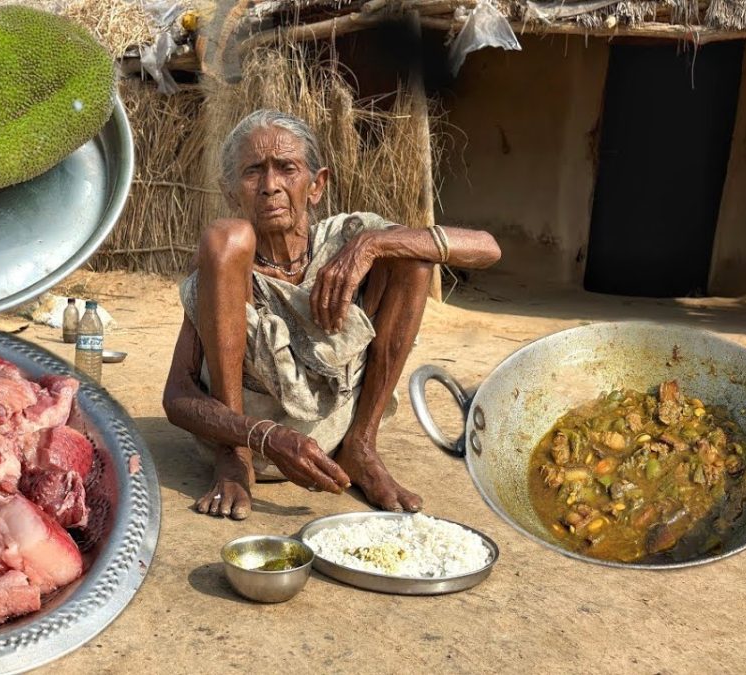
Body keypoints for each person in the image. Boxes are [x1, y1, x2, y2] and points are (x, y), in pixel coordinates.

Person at [162, 109, 502, 520]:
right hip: (246, 438)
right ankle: (234, 461)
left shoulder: (345, 239)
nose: (271, 186)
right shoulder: (224, 260)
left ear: (316, 185)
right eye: (253, 172)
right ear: (232, 190)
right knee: (227, 236)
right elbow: (177, 397)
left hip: (331, 439)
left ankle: (361, 446)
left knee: (413, 256)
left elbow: (487, 248)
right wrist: (261, 437)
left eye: (286, 168)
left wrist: (372, 245)